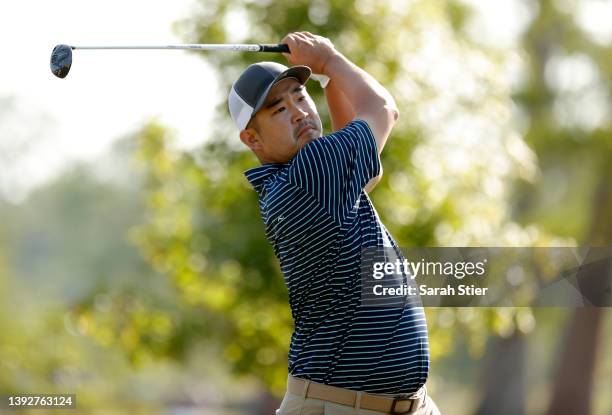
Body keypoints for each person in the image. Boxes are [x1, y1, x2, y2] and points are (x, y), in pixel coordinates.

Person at [228, 32, 440, 415]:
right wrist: (330, 60)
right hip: (340, 406)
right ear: (252, 139)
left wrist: (328, 78)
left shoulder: (304, 178)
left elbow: (366, 177)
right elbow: (382, 109)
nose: (299, 112)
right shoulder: (309, 174)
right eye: (278, 110)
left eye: (301, 96)